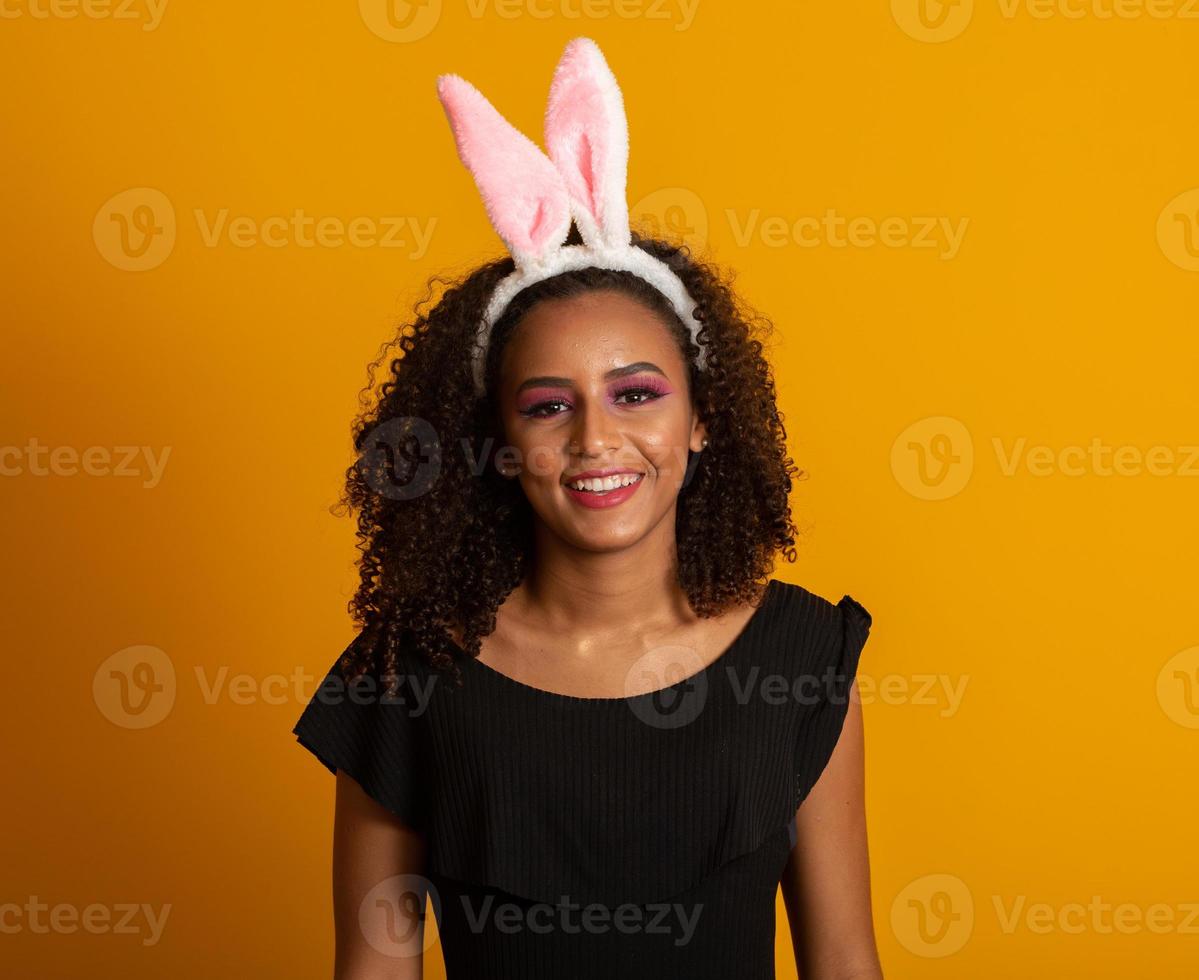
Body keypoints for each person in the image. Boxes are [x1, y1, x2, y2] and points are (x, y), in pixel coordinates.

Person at [292, 36, 881, 980]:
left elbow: (845, 960)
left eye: (637, 393)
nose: (596, 440)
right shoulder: (404, 674)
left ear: (699, 423)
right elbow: (373, 969)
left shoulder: (800, 663)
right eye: (548, 405)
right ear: (493, 438)